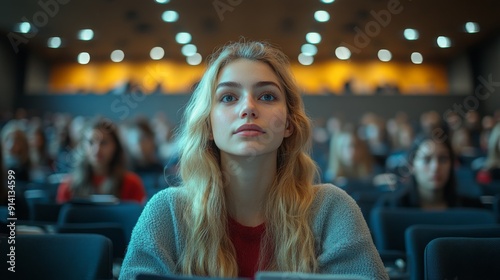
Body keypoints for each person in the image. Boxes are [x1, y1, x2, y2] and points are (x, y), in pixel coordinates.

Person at [120, 41, 388, 279]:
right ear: (209, 126)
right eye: (228, 97)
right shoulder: (167, 212)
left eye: (267, 96)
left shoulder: (331, 209)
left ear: (288, 124)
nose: (248, 107)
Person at [380, 132, 483, 209]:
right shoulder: (391, 207)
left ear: (452, 164)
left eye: (443, 159)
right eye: (426, 159)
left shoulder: (472, 208)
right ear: (411, 165)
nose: (435, 167)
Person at [56, 118, 146, 204]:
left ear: (116, 147)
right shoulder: (69, 186)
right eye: (91, 142)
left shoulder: (132, 184)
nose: (97, 150)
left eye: (104, 143)